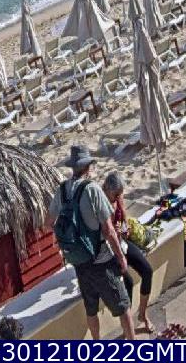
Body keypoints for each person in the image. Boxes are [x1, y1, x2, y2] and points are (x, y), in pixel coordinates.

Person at [48, 145, 135, 339]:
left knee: (91, 309)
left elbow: (49, 222)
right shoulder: (92, 189)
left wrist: (70, 238)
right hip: (101, 260)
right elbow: (109, 230)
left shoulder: (62, 190)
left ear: (73, 167)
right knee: (123, 306)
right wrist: (121, 257)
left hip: (79, 262)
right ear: (88, 166)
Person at [103, 172, 155, 333]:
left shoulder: (117, 198)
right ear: (106, 189)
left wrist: (124, 229)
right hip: (108, 249)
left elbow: (123, 219)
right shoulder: (99, 203)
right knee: (128, 282)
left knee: (147, 271)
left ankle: (142, 314)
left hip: (122, 243)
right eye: (116, 194)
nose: (118, 196)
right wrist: (112, 232)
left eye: (120, 193)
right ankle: (128, 326)